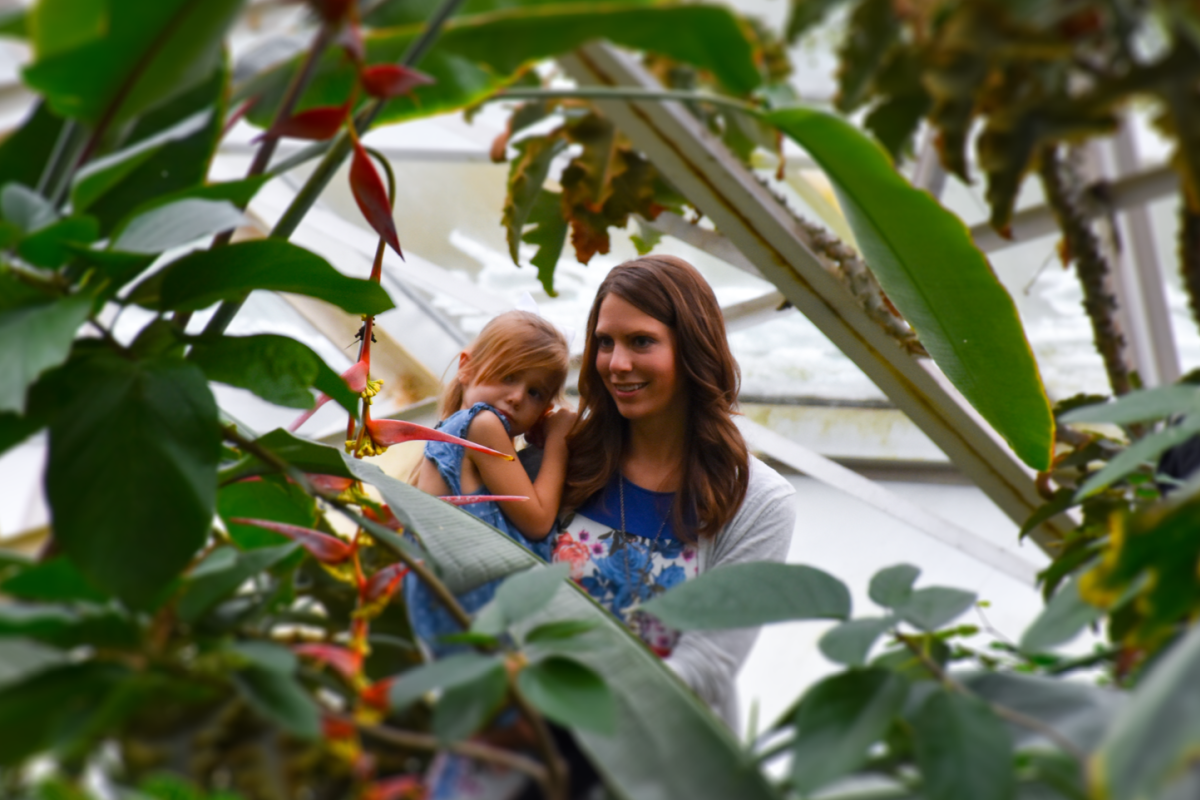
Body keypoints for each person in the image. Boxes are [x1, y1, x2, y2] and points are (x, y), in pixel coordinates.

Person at [556, 254, 797, 728]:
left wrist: (565, 713)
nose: (617, 364)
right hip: (520, 747)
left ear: (692, 349)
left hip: (658, 762)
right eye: (605, 342)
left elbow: (705, 667)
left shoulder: (759, 502)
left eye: (641, 341)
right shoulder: (563, 459)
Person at [407, 310, 576, 656]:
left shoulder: (446, 431)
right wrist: (560, 440)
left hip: (446, 615)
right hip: (475, 617)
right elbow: (539, 520)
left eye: (535, 393)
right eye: (508, 375)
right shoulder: (483, 425)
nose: (517, 397)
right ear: (466, 367)